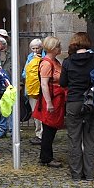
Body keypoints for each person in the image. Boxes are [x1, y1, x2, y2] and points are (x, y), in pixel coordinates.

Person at [59, 32, 94, 181]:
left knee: (74, 139)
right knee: (91, 139)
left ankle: (76, 174)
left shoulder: (67, 61)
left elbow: (63, 83)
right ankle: (89, 173)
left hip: (74, 102)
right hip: (92, 101)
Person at [33, 36, 64, 168]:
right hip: (51, 100)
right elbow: (44, 84)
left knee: (51, 128)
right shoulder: (47, 63)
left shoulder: (54, 61)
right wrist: (49, 103)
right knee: (49, 129)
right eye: (58, 46)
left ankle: (46, 156)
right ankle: (46, 157)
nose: (60, 48)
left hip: (56, 98)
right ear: (53, 48)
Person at [22, 38, 44, 145]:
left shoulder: (44, 57)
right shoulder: (30, 57)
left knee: (43, 111)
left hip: (42, 88)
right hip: (32, 88)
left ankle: (44, 133)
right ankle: (38, 133)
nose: (35, 50)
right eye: (33, 48)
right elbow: (24, 73)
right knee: (35, 111)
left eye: (37, 48)